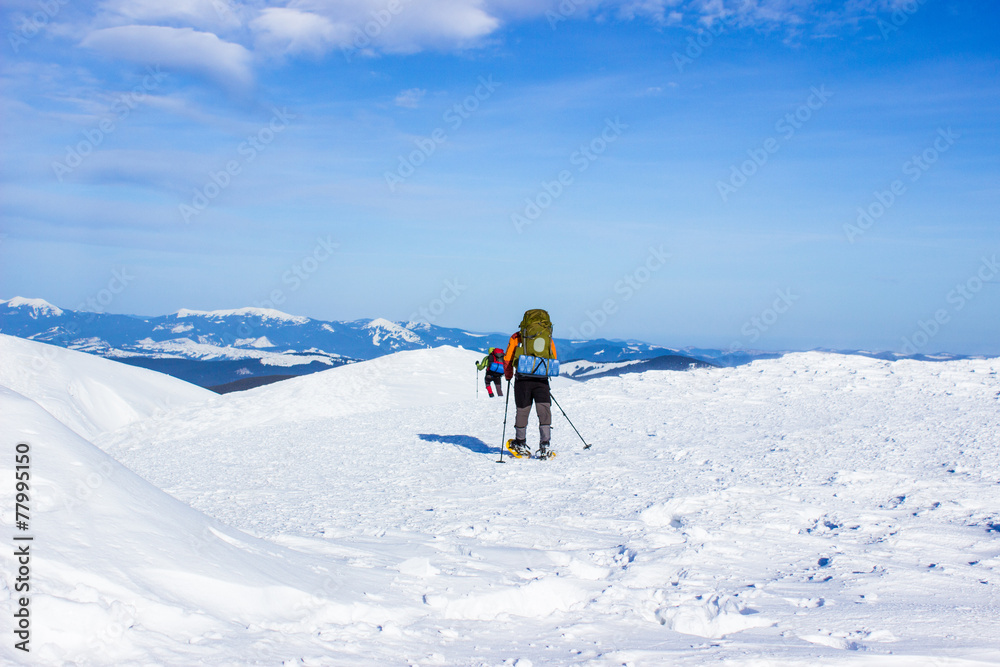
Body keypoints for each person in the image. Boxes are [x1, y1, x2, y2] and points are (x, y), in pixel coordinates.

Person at [503, 310, 557, 459]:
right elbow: (553, 357)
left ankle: (520, 443)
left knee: (522, 410)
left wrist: (508, 376)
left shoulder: (517, 337)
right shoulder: (547, 337)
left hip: (523, 380)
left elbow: (508, 358)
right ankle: (545, 446)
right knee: (544, 410)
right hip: (542, 380)